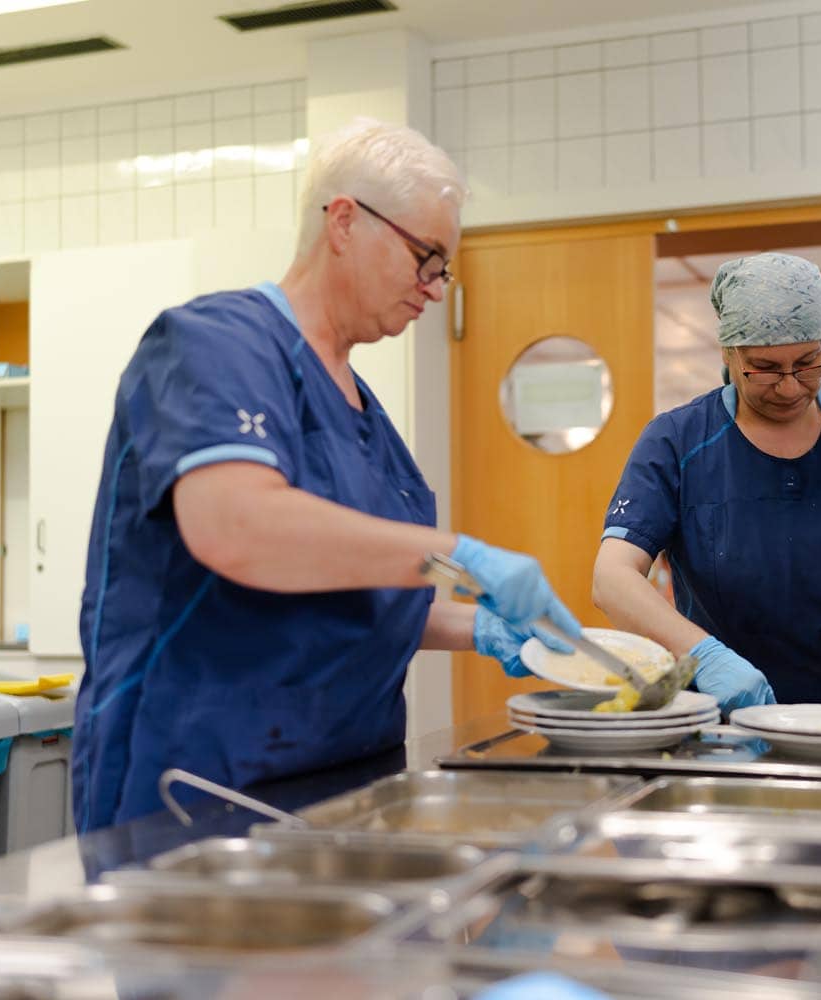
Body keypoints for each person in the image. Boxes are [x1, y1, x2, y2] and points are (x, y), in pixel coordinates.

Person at [72, 119, 579, 832]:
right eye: (426, 258)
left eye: (444, 270)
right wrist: (458, 555)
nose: (435, 290)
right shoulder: (216, 346)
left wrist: (491, 629)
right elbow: (238, 526)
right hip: (198, 787)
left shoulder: (367, 414)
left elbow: (359, 598)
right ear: (345, 221)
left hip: (349, 788)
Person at [593, 252, 821, 712]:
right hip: (727, 719)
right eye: (764, 368)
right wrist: (702, 656)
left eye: (807, 363)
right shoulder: (677, 440)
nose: (789, 387)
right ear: (728, 352)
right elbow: (611, 577)